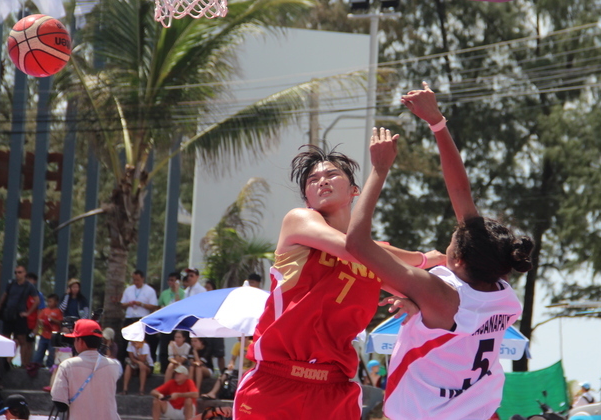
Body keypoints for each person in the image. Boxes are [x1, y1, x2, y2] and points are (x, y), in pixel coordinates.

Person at [344, 82, 533, 420]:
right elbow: (460, 191)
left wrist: (379, 170)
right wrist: (437, 123)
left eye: (452, 237)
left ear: (457, 258)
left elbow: (356, 242)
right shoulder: (501, 291)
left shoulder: (440, 295)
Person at [233, 143, 445, 420]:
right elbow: (355, 248)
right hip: (275, 382)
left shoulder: (374, 258)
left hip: (334, 388)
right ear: (307, 199)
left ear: (354, 190)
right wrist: (424, 258)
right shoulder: (299, 220)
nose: (322, 181)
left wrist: (415, 303)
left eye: (331, 175)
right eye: (313, 179)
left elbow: (427, 297)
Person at [51, 319, 122, 420]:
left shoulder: (67, 366)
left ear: (80, 341)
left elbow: (60, 404)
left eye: (75, 339)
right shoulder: (115, 365)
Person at [0, 265, 38, 366]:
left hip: (20, 315)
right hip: (8, 313)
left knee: (21, 339)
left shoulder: (29, 286)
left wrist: (28, 313)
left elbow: (37, 300)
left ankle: (23, 364)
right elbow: (5, 295)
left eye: (20, 272)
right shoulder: (11, 283)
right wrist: (0, 308)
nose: (17, 274)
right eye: (16, 272)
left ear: (24, 273)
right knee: (6, 338)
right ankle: (4, 362)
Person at [121, 270, 159, 366]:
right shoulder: (129, 289)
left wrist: (141, 304)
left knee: (143, 342)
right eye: (134, 280)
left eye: (137, 280)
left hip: (142, 318)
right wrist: (129, 304)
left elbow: (154, 306)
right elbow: (122, 304)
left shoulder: (150, 290)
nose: (136, 282)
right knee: (127, 341)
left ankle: (145, 362)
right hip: (130, 317)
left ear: (143, 279)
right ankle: (127, 362)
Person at [158, 272, 186, 371]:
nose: (171, 282)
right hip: (166, 323)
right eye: (169, 280)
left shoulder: (183, 293)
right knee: (164, 346)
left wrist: (177, 291)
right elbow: (160, 306)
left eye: (173, 280)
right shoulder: (164, 293)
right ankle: (163, 368)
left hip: (177, 324)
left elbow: (180, 306)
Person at [31, 294, 62, 368]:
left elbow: (60, 322)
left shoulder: (58, 311)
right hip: (44, 334)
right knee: (40, 351)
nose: (49, 303)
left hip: (53, 336)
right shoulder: (45, 310)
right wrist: (42, 322)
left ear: (56, 302)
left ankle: (50, 366)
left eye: (51, 301)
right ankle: (36, 365)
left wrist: (52, 319)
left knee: (51, 353)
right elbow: (39, 319)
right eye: (48, 301)